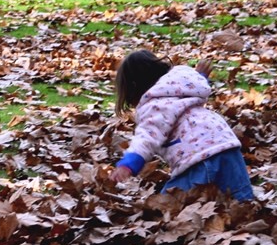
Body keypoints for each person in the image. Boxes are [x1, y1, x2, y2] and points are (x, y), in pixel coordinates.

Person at [108, 49, 254, 202]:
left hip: (199, 159)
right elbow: (192, 87)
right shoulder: (181, 86)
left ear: (134, 89)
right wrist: (200, 76)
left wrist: (128, 164)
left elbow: (147, 138)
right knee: (242, 203)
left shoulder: (154, 106)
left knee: (166, 205)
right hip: (229, 149)